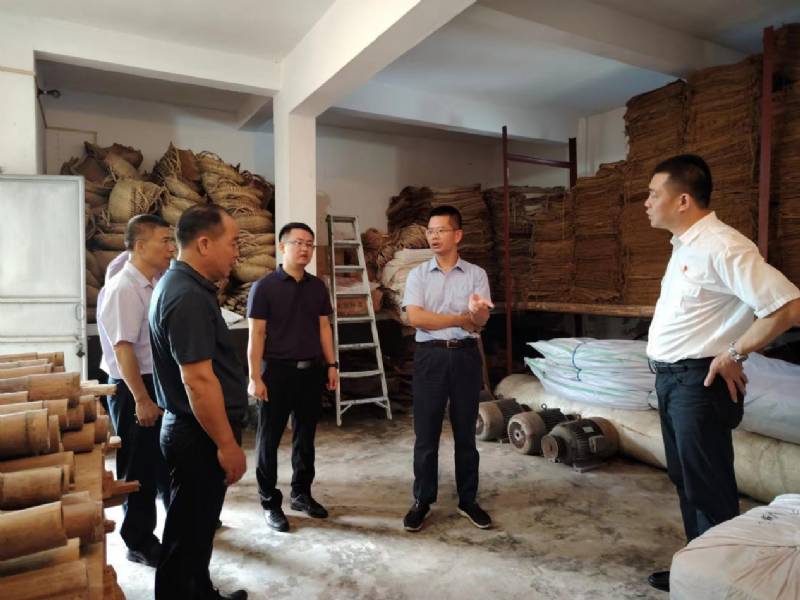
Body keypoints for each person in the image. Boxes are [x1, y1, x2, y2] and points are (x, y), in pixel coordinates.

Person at [644, 154, 800, 592]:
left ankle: (723, 584)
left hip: (700, 382)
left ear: (683, 200)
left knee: (708, 487)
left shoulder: (723, 245)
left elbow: (788, 307)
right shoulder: (684, 246)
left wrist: (734, 351)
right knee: (685, 479)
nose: (646, 203)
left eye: (653, 194)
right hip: (672, 380)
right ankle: (698, 572)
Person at [149, 204, 249, 600]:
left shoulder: (188, 287)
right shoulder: (186, 295)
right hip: (198, 434)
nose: (237, 253)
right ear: (204, 244)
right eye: (233, 243)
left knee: (199, 527)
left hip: (196, 429)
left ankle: (200, 592)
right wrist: (226, 444)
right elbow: (198, 381)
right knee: (186, 533)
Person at [401, 204, 494, 532]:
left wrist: (476, 313)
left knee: (466, 433)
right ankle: (422, 500)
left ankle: (468, 500)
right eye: (430, 231)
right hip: (430, 357)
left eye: (441, 230)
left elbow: (480, 320)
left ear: (458, 235)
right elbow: (416, 317)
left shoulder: (476, 275)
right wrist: (459, 318)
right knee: (426, 434)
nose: (434, 236)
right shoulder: (418, 275)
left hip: (466, 357)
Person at [246, 222, 338, 532]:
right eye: (298, 242)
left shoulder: (317, 287)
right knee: (269, 439)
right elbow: (256, 335)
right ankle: (270, 502)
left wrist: (332, 364)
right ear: (282, 247)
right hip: (276, 373)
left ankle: (301, 494)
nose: (305, 249)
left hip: (311, 372)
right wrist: (255, 377)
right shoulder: (264, 287)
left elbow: (324, 327)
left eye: (309, 244)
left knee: (305, 437)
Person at [97, 216, 173, 567]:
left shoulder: (151, 282)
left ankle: (166, 525)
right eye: (164, 240)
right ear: (140, 245)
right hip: (133, 387)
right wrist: (142, 398)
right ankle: (138, 540)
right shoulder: (124, 288)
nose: (171, 248)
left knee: (158, 460)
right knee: (137, 466)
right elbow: (123, 348)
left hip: (151, 380)